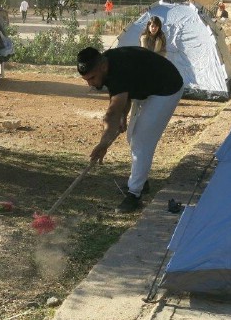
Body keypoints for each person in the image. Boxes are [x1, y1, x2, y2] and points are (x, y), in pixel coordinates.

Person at [76, 46, 184, 213]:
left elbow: (112, 112)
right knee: (131, 136)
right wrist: (123, 115)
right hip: (146, 88)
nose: (90, 83)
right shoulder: (107, 66)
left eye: (92, 78)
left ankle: (134, 194)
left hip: (166, 89)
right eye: (86, 79)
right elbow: (121, 97)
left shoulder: (119, 70)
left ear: (102, 67)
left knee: (141, 141)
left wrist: (103, 143)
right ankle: (142, 181)